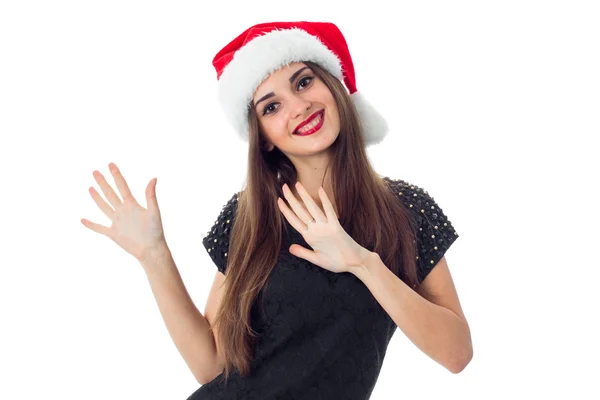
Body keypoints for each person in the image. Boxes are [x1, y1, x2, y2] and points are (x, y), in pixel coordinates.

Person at [82, 21, 472, 400]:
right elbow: (212, 366)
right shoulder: (248, 216)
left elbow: (457, 355)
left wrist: (361, 262)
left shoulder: (406, 210)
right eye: (271, 107)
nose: (299, 107)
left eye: (304, 82)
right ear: (263, 139)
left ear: (335, 87)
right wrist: (154, 255)